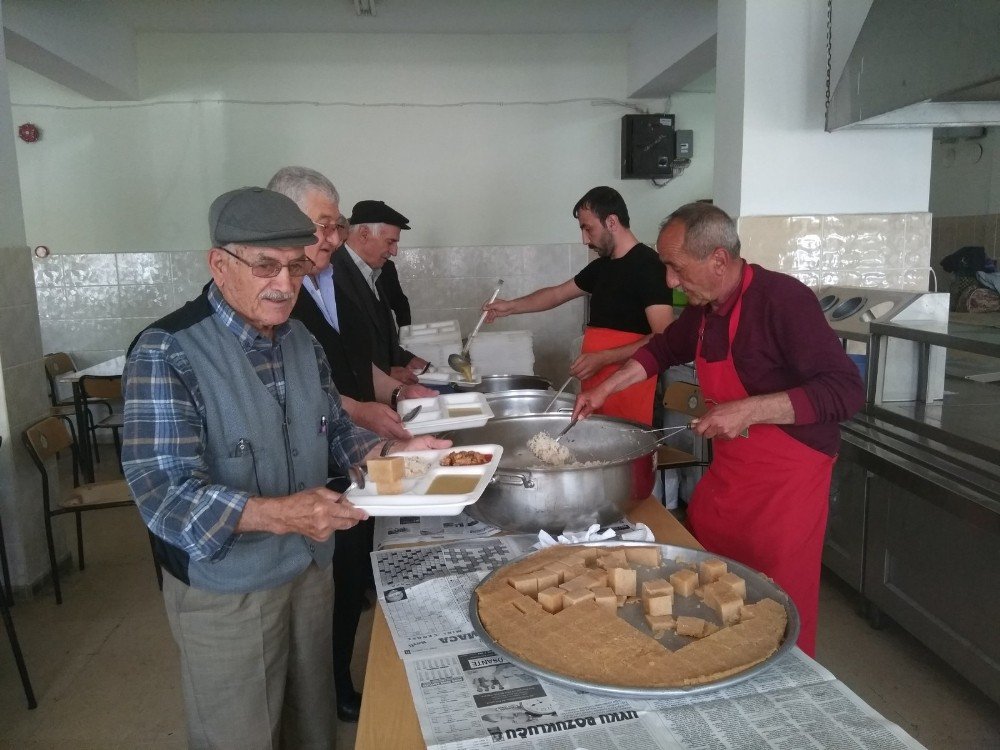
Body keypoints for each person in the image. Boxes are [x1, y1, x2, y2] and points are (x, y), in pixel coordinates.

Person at [121, 186, 449, 748]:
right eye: (265, 266)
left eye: (295, 268)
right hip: (230, 593)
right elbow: (166, 498)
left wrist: (393, 456)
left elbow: (336, 431)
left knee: (310, 725)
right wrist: (282, 514)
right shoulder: (166, 352)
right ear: (219, 265)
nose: (284, 285)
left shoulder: (300, 341)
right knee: (241, 733)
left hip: (308, 573)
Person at [572, 202, 865, 656]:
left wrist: (748, 410)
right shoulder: (706, 308)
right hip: (733, 475)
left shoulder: (782, 301)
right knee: (704, 568)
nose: (669, 281)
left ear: (719, 261)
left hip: (786, 485)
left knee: (773, 603)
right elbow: (661, 350)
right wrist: (604, 389)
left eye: (675, 267)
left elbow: (845, 392)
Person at [266, 166, 436, 723]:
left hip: (344, 445)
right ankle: (330, 683)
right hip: (299, 475)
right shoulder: (273, 304)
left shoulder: (331, 277)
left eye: (335, 227)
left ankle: (331, 681)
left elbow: (338, 368)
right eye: (324, 228)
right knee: (324, 580)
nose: (331, 241)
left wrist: (383, 399)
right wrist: (360, 411)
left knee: (343, 572)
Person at [483, 186, 674, 425]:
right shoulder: (602, 267)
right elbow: (556, 294)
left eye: (588, 228)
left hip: (631, 389)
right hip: (594, 387)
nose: (584, 239)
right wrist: (509, 307)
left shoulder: (650, 266)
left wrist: (604, 357)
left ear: (612, 222)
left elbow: (663, 338)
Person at [334, 200, 428, 385]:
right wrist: (385, 372)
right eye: (390, 242)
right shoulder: (334, 273)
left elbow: (379, 335)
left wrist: (405, 359)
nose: (394, 251)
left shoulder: (376, 271)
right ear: (364, 234)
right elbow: (340, 346)